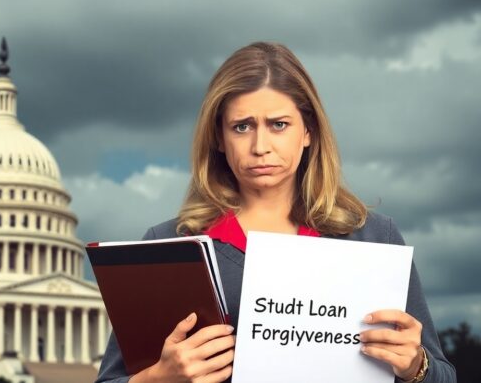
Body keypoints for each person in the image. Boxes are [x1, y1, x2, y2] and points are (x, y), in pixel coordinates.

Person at [95, 42, 456, 383]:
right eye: (242, 127)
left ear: (308, 131)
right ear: (219, 138)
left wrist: (416, 366)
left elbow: (442, 375)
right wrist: (157, 379)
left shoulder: (375, 239)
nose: (260, 147)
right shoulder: (168, 247)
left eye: (278, 125)